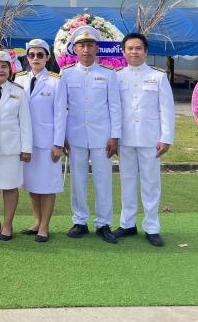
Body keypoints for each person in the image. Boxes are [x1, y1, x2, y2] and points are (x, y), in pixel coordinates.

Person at [114, 32, 175, 247]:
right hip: (125, 138)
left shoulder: (158, 77)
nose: (134, 52)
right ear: (123, 52)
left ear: (146, 51)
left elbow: (166, 109)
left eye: (138, 48)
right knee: (127, 182)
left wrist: (166, 137)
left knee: (151, 184)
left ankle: (152, 227)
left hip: (150, 139)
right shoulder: (117, 76)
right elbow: (113, 109)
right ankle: (127, 224)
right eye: (130, 48)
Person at [62, 25, 122, 243]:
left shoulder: (108, 74)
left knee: (103, 180)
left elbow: (114, 106)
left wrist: (115, 136)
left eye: (90, 45)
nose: (86, 49)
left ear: (97, 48)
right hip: (75, 134)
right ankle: (79, 220)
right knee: (77, 180)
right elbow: (62, 107)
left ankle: (103, 223)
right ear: (75, 49)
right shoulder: (66, 74)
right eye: (81, 45)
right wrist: (62, 136)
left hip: (102, 136)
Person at [14, 38, 67, 242]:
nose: (35, 58)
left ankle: (45, 226)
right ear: (27, 57)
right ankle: (37, 221)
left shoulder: (56, 81)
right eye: (31, 55)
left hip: (47, 142)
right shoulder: (20, 79)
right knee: (32, 185)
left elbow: (61, 114)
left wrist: (58, 143)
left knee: (47, 186)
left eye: (40, 55)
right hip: (26, 142)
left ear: (48, 57)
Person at [0, 51, 32, 241]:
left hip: (12, 148)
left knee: (10, 187)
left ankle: (8, 224)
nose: (0, 70)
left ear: (10, 70)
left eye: (4, 66)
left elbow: (25, 122)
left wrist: (26, 148)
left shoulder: (18, 91)